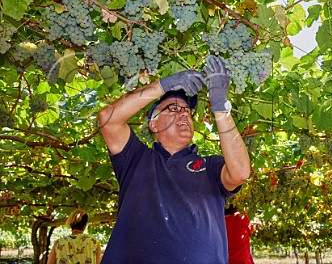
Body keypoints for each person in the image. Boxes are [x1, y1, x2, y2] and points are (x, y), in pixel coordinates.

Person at [97, 56, 251, 263]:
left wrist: (221, 108)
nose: (183, 114)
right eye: (173, 108)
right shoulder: (135, 159)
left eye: (187, 111)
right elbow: (108, 118)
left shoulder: (210, 167)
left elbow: (241, 172)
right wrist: (163, 85)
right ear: (153, 124)